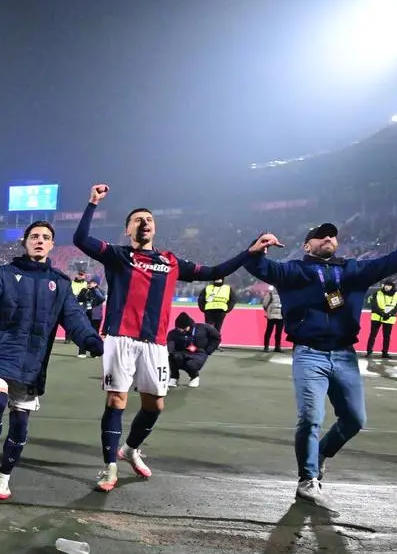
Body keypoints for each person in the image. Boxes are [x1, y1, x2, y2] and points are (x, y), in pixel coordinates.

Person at [74, 183, 278, 491]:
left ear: (154, 228)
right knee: (116, 400)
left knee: (155, 406)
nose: (144, 223)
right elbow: (80, 239)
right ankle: (109, 467)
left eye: (149, 220)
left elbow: (213, 270)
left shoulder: (170, 262)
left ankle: (129, 449)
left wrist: (249, 251)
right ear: (128, 229)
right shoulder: (117, 255)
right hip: (120, 338)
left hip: (155, 343)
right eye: (138, 220)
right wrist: (92, 204)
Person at [244, 209, 397, 509]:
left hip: (345, 355)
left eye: (333, 234)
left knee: (355, 420)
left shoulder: (353, 271)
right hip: (309, 353)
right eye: (321, 235)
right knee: (310, 418)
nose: (329, 238)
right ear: (308, 245)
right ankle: (307, 480)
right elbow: (261, 268)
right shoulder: (294, 271)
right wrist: (256, 249)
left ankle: (320, 454)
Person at [0, 221, 103, 501]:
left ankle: (4, 478)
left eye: (46, 237)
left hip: (31, 364)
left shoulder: (61, 283)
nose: (40, 240)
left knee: (20, 424)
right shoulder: (4, 273)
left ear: (52, 245)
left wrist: (91, 340)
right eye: (34, 236)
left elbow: (75, 319)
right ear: (25, 242)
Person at [166, 312, 219, 387]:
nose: (180, 330)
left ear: (188, 325)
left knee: (190, 364)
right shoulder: (173, 333)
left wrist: (208, 350)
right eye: (178, 328)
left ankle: (194, 377)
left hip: (198, 353)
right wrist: (171, 352)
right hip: (182, 352)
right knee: (172, 357)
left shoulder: (203, 328)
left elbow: (216, 338)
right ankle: (174, 377)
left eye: (183, 328)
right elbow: (170, 344)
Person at [366, 280, 397, 359]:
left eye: (389, 285)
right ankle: (369, 351)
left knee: (387, 336)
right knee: (373, 335)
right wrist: (381, 313)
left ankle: (385, 353)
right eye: (385, 285)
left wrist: (389, 314)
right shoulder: (377, 293)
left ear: (392, 287)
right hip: (377, 317)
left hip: (389, 318)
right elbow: (373, 305)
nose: (386, 287)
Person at [261, 285, 285, 352]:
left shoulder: (270, 293)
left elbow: (265, 304)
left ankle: (266, 347)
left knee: (269, 331)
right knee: (278, 332)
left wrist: (268, 311)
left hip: (271, 315)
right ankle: (277, 347)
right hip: (280, 316)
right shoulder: (283, 293)